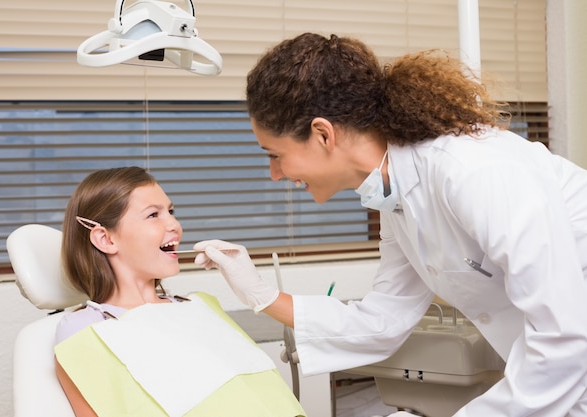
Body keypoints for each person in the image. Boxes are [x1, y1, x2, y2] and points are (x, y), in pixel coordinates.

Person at [193, 33, 587, 416]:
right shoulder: (395, 195)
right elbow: (385, 319)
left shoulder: (472, 171)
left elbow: (564, 338)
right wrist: (259, 294)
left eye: (276, 154)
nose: (275, 174)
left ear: (322, 134)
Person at [54, 166, 305, 417]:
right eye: (153, 215)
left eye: (171, 212)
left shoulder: (198, 307)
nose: (175, 225)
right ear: (106, 239)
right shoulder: (85, 332)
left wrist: (261, 293)